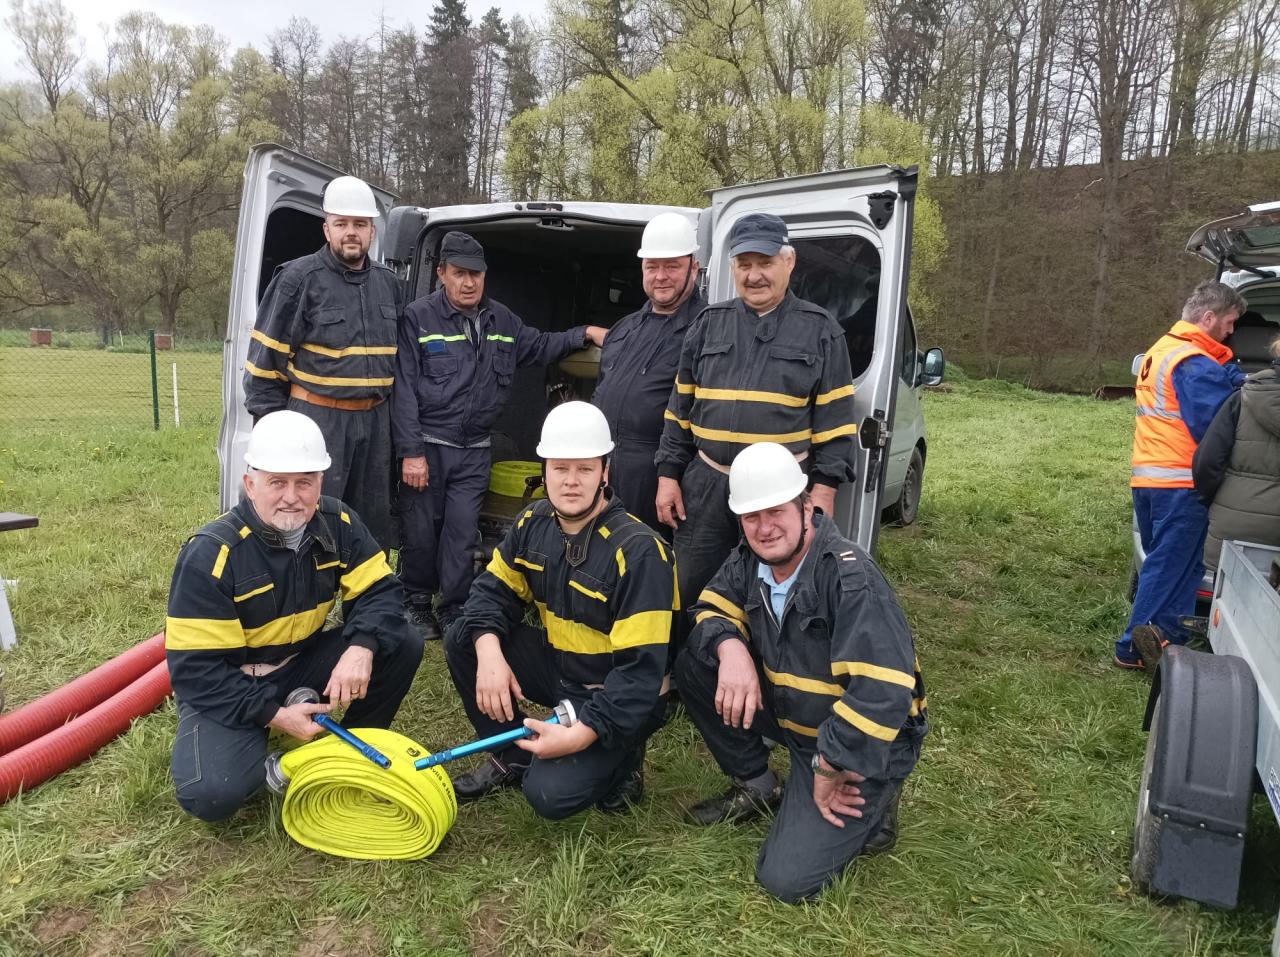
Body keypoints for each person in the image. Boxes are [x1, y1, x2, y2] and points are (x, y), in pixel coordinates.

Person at [676, 442, 927, 903]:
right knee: (695, 662)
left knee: (786, 880)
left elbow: (882, 693)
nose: (764, 527)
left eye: (776, 511)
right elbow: (709, 606)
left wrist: (829, 765)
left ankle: (880, 789)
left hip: (860, 738)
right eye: (751, 516)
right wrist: (732, 649)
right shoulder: (749, 559)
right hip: (796, 715)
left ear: (806, 507)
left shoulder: (850, 578)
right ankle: (758, 784)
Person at [165, 410, 424, 822]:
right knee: (212, 794)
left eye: (304, 482)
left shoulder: (339, 522)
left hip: (301, 661)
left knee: (402, 642)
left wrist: (361, 647)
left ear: (321, 482)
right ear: (250, 484)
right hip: (232, 680)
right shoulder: (212, 554)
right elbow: (197, 671)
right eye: (277, 482)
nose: (291, 496)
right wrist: (277, 716)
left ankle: (345, 750)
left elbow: (381, 590)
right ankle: (265, 747)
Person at [443, 401, 675, 816]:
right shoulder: (532, 522)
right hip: (562, 667)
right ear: (545, 470)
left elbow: (640, 674)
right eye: (560, 468)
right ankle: (513, 753)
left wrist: (581, 734)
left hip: (617, 691)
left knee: (548, 796)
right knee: (465, 638)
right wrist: (490, 655)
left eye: (584, 469)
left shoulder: (640, 552)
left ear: (605, 472)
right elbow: (490, 592)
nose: (570, 481)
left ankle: (624, 755)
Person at [393, 233, 607, 643]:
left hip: (474, 450)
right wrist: (410, 452)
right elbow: (402, 389)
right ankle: (415, 600)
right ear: (441, 273)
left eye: (476, 274)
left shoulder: (502, 321)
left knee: (462, 531)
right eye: (460, 274)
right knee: (420, 529)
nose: (468, 282)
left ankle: (455, 607)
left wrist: (587, 332)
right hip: (428, 445)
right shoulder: (418, 318)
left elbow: (541, 345)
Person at [654, 213, 857, 614]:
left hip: (779, 495)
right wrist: (668, 476)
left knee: (774, 596)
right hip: (707, 487)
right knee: (689, 588)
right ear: (732, 267)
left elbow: (836, 425)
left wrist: (823, 491)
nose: (754, 275)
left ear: (789, 262)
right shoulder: (708, 324)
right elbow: (679, 411)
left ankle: (761, 654)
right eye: (744, 264)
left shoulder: (821, 330)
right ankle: (691, 653)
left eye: (765, 263)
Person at [242, 175, 401, 549]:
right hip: (317, 420)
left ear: (372, 231)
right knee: (310, 520)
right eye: (341, 223)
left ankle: (365, 587)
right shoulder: (298, 279)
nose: (351, 232)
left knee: (370, 527)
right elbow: (263, 367)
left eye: (359, 224)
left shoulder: (389, 284)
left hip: (375, 424)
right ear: (327, 229)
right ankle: (306, 584)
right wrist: (275, 436)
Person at [1119, 280, 1248, 671]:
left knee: (1182, 568)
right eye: (1229, 322)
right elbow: (1215, 427)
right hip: (1182, 482)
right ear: (1208, 318)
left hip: (1150, 479)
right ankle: (1131, 648)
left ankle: (1167, 641)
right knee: (1169, 568)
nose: (1231, 331)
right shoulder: (1194, 363)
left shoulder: (1163, 350)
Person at [593, 212, 705, 535]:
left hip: (662, 483)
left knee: (648, 559)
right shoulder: (623, 329)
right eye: (652, 266)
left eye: (672, 266)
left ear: (694, 268)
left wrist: (671, 475)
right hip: (605, 473)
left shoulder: (708, 330)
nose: (660, 276)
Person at [1194, 334, 1280, 574]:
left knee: (1229, 592)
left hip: (1234, 526)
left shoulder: (1240, 399)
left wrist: (1213, 503)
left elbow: (1207, 462)